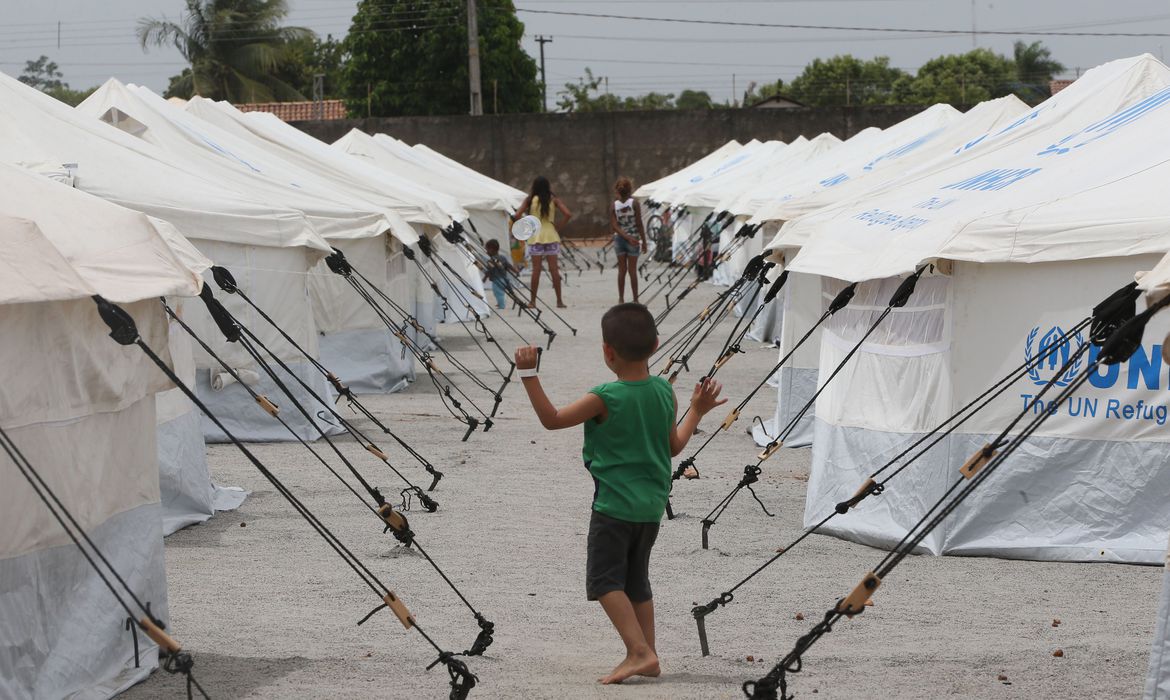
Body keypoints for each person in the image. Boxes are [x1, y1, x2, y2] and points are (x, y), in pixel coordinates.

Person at [513, 303, 726, 684]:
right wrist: (696, 410)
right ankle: (650, 653)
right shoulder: (664, 390)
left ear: (607, 351)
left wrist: (528, 374)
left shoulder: (605, 396)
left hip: (613, 507)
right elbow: (674, 447)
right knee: (636, 581)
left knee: (604, 580)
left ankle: (638, 652)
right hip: (650, 509)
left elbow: (552, 420)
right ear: (656, 344)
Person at [512, 176, 571, 309]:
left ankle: (532, 301)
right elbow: (568, 214)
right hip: (551, 236)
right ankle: (559, 301)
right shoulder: (553, 199)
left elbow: (516, 216)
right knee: (554, 270)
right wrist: (558, 227)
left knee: (536, 271)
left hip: (536, 237)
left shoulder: (530, 200)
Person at [610, 176, 647, 303]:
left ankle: (621, 298)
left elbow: (614, 225)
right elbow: (639, 224)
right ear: (630, 189)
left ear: (617, 190)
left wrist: (624, 236)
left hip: (619, 240)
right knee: (632, 270)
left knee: (622, 270)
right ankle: (635, 299)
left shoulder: (614, 205)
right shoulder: (634, 203)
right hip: (634, 239)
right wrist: (644, 242)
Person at [481, 239, 516, 310]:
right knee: (499, 292)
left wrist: (484, 278)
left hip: (497, 280)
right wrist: (515, 271)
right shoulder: (502, 257)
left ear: (492, 250)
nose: (487, 252)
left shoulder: (491, 261)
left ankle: (501, 305)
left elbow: (489, 271)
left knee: (498, 293)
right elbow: (509, 265)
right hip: (504, 279)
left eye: (487, 250)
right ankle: (500, 303)